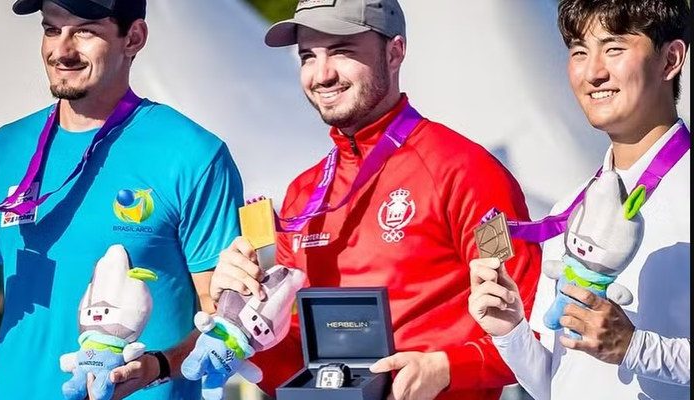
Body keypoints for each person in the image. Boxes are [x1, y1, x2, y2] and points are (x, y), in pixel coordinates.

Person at [205, 1, 543, 399]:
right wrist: (244, 331)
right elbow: (302, 365)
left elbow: (533, 334)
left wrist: (445, 368)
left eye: (343, 50)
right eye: (308, 56)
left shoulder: (466, 172)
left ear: (395, 51)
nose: (322, 74)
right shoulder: (302, 195)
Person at [0, 0, 243, 399]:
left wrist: (158, 368)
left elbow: (225, 323)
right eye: (51, 29)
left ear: (134, 38)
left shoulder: (193, 154)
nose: (62, 50)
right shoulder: (0, 152)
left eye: (86, 31)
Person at [468, 0, 690, 399]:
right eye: (579, 52)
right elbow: (555, 385)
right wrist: (510, 332)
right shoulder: (567, 210)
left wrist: (636, 348)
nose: (593, 73)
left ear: (670, 59)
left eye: (614, 48)